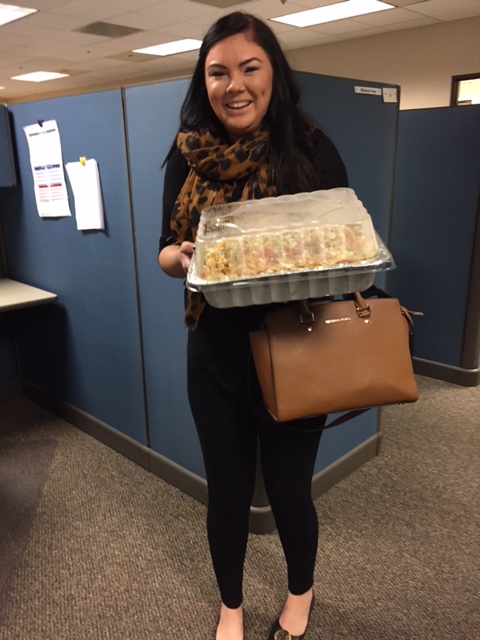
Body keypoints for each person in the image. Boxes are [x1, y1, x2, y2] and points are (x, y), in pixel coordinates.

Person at [158, 11, 348, 640]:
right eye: (218, 72)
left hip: (298, 346)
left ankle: (301, 594)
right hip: (214, 353)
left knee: (290, 490)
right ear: (203, 81)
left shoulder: (312, 150)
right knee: (227, 490)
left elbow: (345, 247)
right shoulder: (187, 154)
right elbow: (165, 249)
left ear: (274, 74)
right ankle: (231, 607)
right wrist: (182, 258)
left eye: (249, 68)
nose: (233, 85)